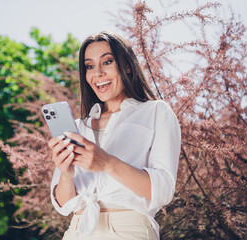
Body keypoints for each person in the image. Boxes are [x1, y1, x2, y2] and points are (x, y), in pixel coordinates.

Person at [48, 31, 181, 240]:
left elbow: (163, 190)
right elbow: (64, 205)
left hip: (128, 231)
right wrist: (66, 173)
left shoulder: (156, 112)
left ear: (127, 66)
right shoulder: (77, 128)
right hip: (77, 231)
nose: (98, 73)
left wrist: (107, 163)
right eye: (89, 66)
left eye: (107, 62)